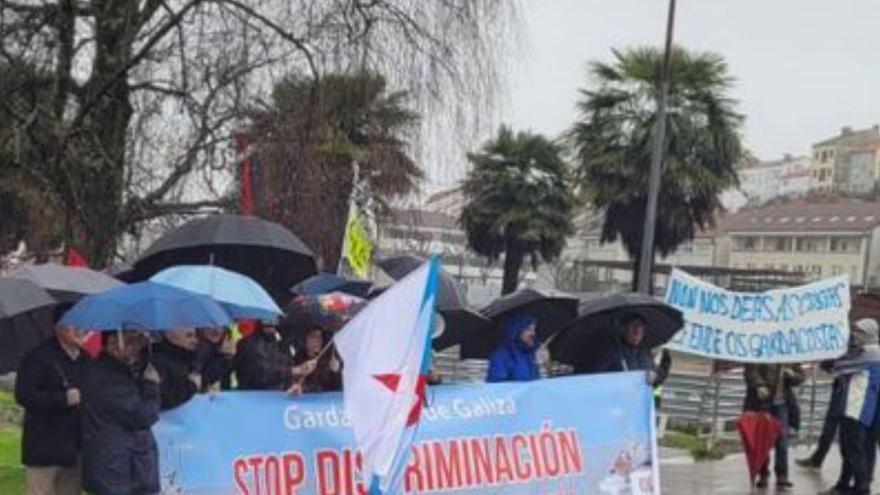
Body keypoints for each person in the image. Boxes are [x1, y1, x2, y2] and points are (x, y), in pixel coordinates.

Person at [80, 330, 162, 495]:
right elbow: (143, 416)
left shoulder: (120, 370)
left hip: (125, 464)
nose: (137, 347)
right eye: (131, 341)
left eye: (140, 341)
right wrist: (151, 385)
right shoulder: (107, 376)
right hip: (118, 468)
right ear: (112, 342)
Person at [15, 321, 87, 495]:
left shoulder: (85, 357)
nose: (80, 329)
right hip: (44, 448)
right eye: (73, 325)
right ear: (58, 328)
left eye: (82, 324)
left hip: (74, 448)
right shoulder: (37, 357)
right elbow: (24, 395)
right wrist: (63, 399)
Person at [819, 318, 880, 495]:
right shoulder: (863, 350)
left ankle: (861, 487)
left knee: (853, 448)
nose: (854, 334)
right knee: (851, 448)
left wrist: (830, 361)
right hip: (857, 406)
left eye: (859, 331)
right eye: (854, 330)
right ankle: (846, 484)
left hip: (858, 406)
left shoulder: (871, 352)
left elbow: (839, 366)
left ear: (869, 334)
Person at [743, 362, 805, 490]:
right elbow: (750, 370)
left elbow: (800, 376)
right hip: (762, 402)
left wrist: (792, 375)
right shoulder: (759, 348)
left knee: (782, 440)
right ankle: (763, 474)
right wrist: (759, 385)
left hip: (782, 403)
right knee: (762, 440)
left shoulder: (790, 354)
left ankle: (782, 477)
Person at [235, 320, 316, 391]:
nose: (271, 321)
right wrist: (294, 371)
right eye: (267, 318)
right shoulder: (247, 344)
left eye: (274, 318)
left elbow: (290, 371)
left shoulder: (283, 344)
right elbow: (261, 373)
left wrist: (303, 371)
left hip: (280, 398)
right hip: (252, 398)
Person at [796, 359, 843, 469]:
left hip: (845, 388)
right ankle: (817, 458)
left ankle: (818, 459)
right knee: (831, 427)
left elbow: (826, 364)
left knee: (837, 429)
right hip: (841, 386)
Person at [151, 327, 202, 410]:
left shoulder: (189, 356)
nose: (195, 341)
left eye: (196, 336)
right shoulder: (157, 360)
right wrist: (190, 386)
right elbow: (162, 399)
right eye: (188, 336)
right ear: (170, 335)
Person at [486, 313, 539, 383]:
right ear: (516, 329)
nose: (533, 333)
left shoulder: (529, 354)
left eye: (533, 329)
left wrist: (547, 364)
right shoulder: (501, 355)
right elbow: (497, 385)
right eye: (528, 329)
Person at [293, 327, 342, 393]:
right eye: (313, 337)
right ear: (305, 339)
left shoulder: (326, 361)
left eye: (320, 337)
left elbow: (334, 387)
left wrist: (335, 372)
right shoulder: (297, 359)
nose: (318, 340)